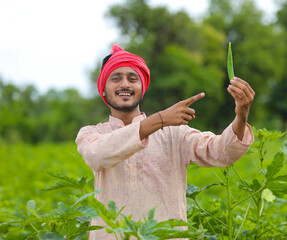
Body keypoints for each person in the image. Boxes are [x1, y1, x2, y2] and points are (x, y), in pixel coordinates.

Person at [75, 44, 255, 239]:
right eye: (116, 78)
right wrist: (160, 119)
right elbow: (97, 155)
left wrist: (241, 114)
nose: (125, 84)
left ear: (142, 88)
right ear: (103, 89)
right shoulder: (92, 134)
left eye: (132, 79)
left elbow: (221, 152)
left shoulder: (174, 134)